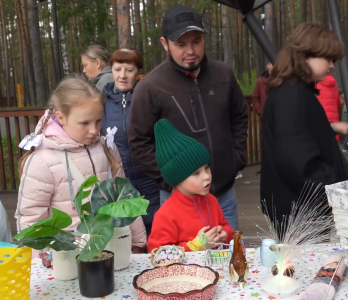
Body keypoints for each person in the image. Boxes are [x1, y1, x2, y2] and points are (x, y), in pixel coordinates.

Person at [128, 5, 248, 231]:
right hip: (179, 202)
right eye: (181, 44)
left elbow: (240, 117)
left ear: (204, 38)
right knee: (183, 263)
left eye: (196, 41)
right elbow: (138, 140)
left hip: (223, 196)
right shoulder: (150, 87)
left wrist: (236, 158)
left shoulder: (224, 75)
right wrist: (170, 179)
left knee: (228, 259)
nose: (190, 50)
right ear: (165, 43)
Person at [15, 76, 146, 254]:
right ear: (61, 117)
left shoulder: (106, 147)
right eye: (85, 123)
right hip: (66, 256)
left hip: (113, 247)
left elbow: (124, 197)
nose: (94, 130)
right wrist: (41, 261)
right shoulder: (42, 160)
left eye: (98, 120)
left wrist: (138, 241)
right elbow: (31, 217)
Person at [261, 23, 348, 222]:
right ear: (305, 55)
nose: (331, 65)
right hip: (301, 211)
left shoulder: (295, 91)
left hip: (304, 205)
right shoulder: (291, 95)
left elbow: (299, 134)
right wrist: (340, 191)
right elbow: (296, 159)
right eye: (328, 58)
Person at [147, 119, 233, 252]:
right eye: (196, 173)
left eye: (207, 168)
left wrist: (225, 235)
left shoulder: (212, 201)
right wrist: (194, 246)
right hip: (185, 272)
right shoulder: (166, 215)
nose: (206, 176)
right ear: (177, 178)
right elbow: (159, 252)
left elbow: (225, 226)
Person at [102, 49, 160, 237]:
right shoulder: (101, 102)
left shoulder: (149, 99)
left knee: (157, 235)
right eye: (118, 69)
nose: (123, 75)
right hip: (119, 185)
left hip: (151, 181)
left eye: (129, 70)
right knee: (128, 239)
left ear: (139, 73)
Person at [316, 73, 341, 141]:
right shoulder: (333, 82)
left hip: (318, 126)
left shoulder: (313, 82)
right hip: (334, 125)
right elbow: (338, 103)